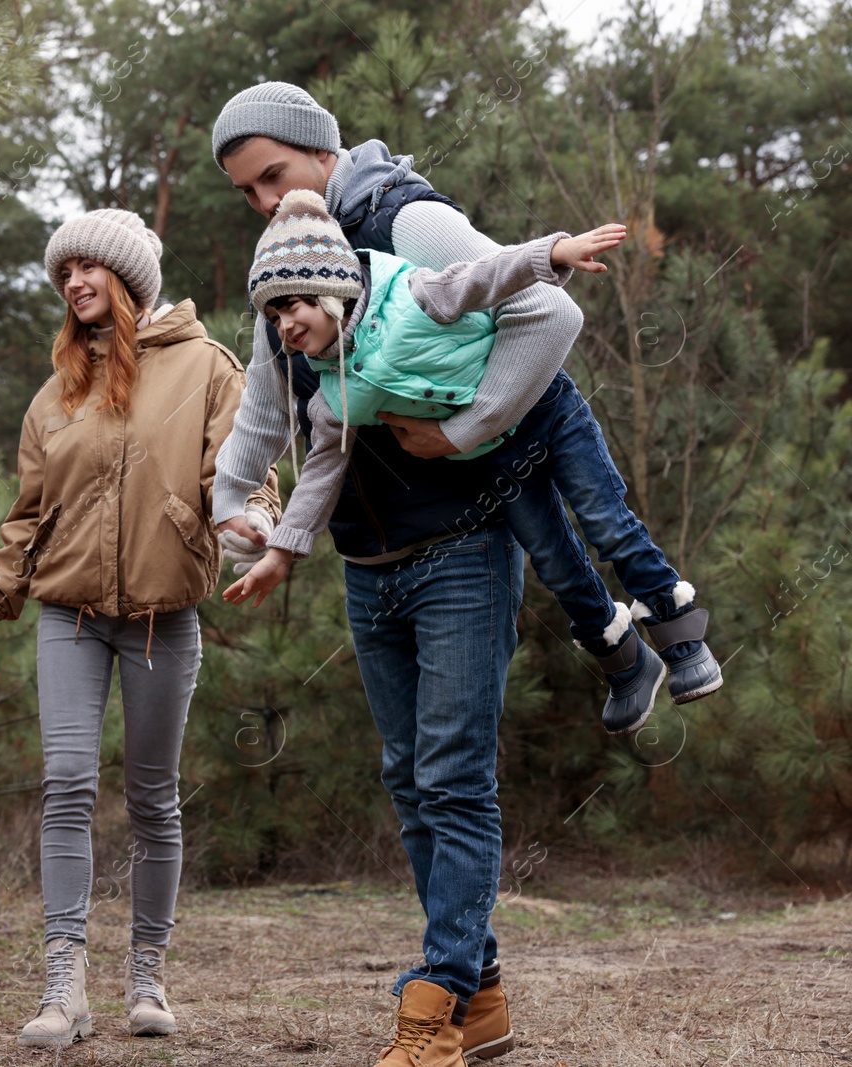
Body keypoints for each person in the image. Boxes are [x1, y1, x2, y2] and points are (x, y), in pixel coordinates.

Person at [204, 80, 568, 1067]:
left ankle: (435, 994)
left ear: (320, 152)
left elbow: (547, 312)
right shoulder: (290, 257)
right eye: (245, 191)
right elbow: (263, 408)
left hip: (459, 544)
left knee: (449, 775)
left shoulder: (411, 218)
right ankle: (480, 995)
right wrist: (227, 503)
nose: (264, 200)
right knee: (410, 778)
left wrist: (464, 429)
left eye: (273, 174)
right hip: (367, 562)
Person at [0, 208, 281, 1048]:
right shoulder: (58, 393)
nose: (75, 282)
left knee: (154, 797)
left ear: (129, 276)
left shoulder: (208, 367)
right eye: (64, 273)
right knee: (67, 784)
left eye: (89, 267)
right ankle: (64, 986)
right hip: (70, 617)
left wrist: (251, 527)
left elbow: (242, 474)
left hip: (165, 621)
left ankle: (148, 978)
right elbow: (27, 525)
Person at [223, 190, 723, 737]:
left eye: (293, 304)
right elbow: (321, 473)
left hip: (547, 410)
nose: (284, 325)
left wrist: (555, 252)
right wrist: (282, 551)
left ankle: (682, 636)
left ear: (333, 289)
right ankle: (624, 662)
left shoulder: (410, 295)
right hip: (495, 457)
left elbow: (487, 275)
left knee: (607, 524)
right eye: (273, 315)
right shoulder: (334, 395)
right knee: (555, 561)